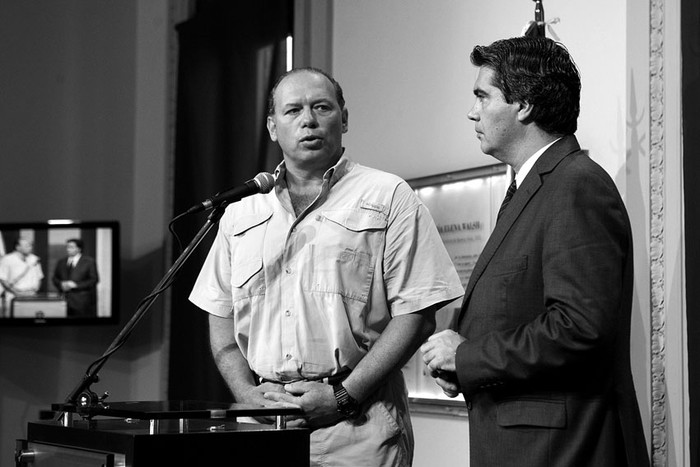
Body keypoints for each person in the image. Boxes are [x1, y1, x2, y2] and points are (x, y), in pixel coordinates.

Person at [189, 67, 464, 466]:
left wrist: (342, 397)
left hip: (359, 426)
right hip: (262, 423)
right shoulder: (240, 212)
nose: (308, 120)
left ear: (344, 118)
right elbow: (221, 325)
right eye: (293, 110)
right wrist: (247, 395)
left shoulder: (388, 196)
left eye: (322, 107)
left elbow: (417, 315)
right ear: (272, 126)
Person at [420, 36, 650, 466]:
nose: (473, 111)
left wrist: (467, 355)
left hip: (559, 452)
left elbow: (579, 327)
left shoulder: (576, 185)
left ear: (523, 105)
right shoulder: (536, 188)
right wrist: (462, 366)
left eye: (482, 96)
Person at [52, 238, 99, 317]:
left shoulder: (89, 261)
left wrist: (76, 285)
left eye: (71, 247)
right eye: (67, 247)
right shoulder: (61, 262)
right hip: (63, 301)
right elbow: (55, 278)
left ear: (79, 249)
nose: (68, 249)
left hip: (81, 303)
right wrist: (61, 284)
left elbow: (94, 280)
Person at [0, 237, 44, 316]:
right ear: (18, 247)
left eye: (30, 245)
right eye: (27, 246)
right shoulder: (7, 259)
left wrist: (35, 291)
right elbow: (3, 280)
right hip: (13, 297)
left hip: (32, 297)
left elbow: (39, 277)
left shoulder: (34, 259)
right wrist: (17, 293)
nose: (30, 247)